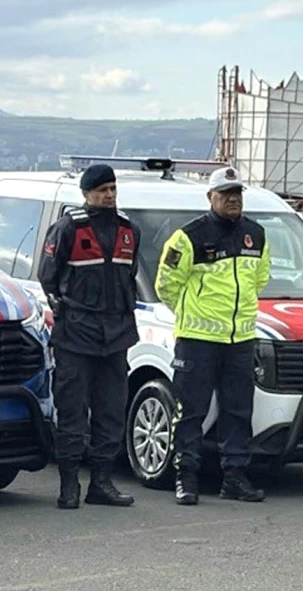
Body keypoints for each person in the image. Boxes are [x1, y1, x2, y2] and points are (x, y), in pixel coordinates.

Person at [156, 166, 271, 505]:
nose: (233, 199)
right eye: (225, 194)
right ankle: (186, 476)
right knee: (190, 411)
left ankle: (234, 477)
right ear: (211, 197)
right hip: (197, 340)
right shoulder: (189, 237)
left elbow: (259, 281)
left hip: (240, 340)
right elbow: (166, 285)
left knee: (238, 411)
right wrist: (194, 313)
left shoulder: (256, 235)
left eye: (237, 194)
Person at [36, 164, 140, 509]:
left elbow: (129, 276)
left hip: (116, 337)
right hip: (76, 337)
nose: (109, 195)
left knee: (111, 413)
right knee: (72, 412)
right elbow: (48, 277)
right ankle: (69, 485)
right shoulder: (68, 228)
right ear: (86, 193)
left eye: (112, 189)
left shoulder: (128, 230)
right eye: (102, 190)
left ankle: (102, 483)